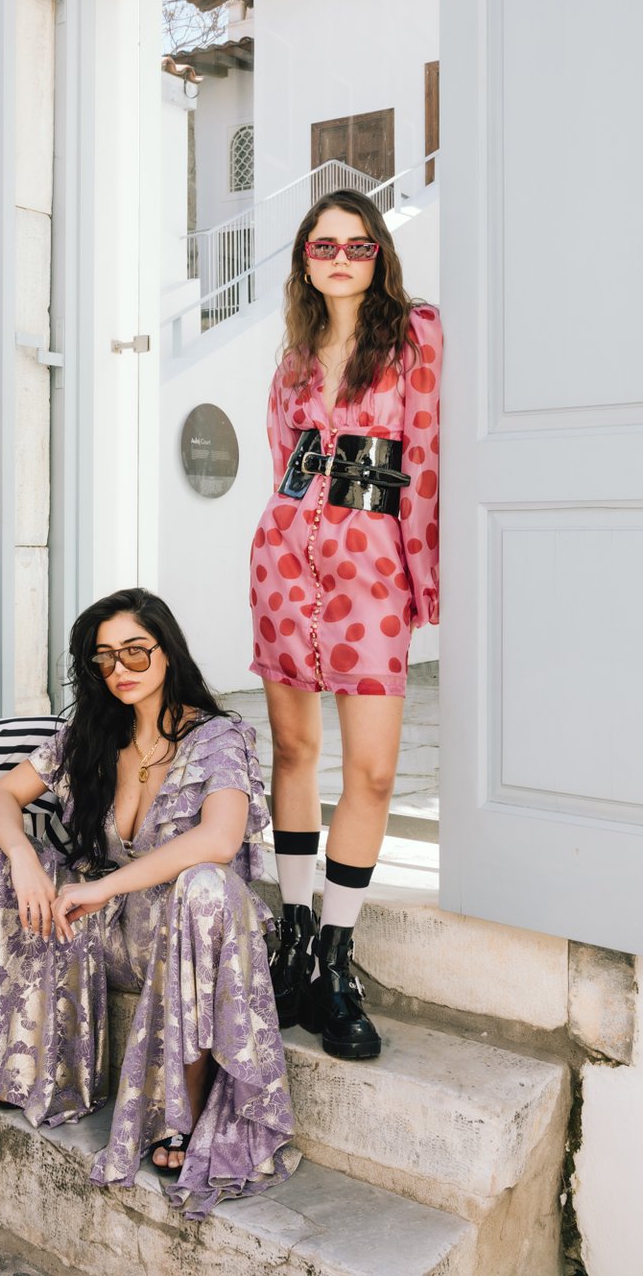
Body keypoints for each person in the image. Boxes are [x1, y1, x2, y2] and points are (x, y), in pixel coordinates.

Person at [0, 589, 299, 1220]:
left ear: (167, 651)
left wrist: (102, 887)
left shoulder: (219, 737)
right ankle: (19, 1055)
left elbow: (219, 839)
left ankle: (181, 1107)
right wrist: (23, 858)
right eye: (105, 658)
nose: (120, 668)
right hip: (101, 932)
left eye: (135, 652)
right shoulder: (91, 733)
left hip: (184, 935)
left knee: (208, 885)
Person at [251, 188, 441, 1060]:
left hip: (371, 572)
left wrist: (421, 580)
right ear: (305, 257)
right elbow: (283, 466)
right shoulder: (293, 361)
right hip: (285, 563)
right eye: (323, 245)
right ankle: (293, 943)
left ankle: (335, 958)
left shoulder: (416, 338)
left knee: (372, 770)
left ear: (379, 257)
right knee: (294, 751)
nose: (340, 258)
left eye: (357, 245)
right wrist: (284, 539)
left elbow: (424, 459)